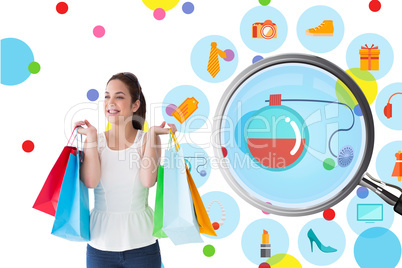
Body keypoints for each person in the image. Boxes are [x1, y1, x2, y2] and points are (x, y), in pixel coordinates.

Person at [74, 72, 176, 268]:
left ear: (135, 105)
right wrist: (92, 137)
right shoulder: (95, 140)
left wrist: (153, 134)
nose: (110, 102)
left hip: (142, 245)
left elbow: (148, 181)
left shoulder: (146, 139)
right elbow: (90, 182)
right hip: (100, 244)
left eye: (119, 97)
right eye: (107, 96)